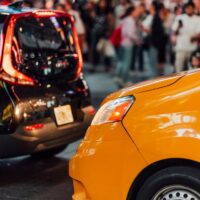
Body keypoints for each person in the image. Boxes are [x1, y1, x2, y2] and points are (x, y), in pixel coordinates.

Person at [115, 5, 144, 86]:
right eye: (136, 11)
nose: (137, 13)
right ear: (132, 12)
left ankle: (118, 77)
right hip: (128, 44)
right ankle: (125, 80)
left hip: (122, 43)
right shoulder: (131, 21)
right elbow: (130, 33)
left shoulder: (125, 19)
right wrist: (138, 40)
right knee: (127, 63)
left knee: (121, 61)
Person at [172, 1, 200, 72]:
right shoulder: (179, 18)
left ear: (193, 8)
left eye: (190, 8)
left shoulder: (197, 19)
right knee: (179, 70)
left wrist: (194, 37)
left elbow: (198, 33)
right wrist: (179, 26)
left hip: (192, 49)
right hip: (181, 48)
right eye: (187, 8)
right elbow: (174, 32)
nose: (189, 10)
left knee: (191, 70)